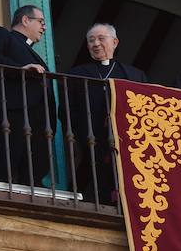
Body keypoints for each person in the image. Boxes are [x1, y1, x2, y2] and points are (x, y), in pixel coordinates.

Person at [62, 23, 147, 205]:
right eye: (91, 40)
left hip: (126, 139)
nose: (96, 44)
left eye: (101, 39)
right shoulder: (77, 73)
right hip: (90, 138)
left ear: (115, 42)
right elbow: (68, 108)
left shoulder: (134, 75)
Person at [0, 4, 57, 186]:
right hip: (12, 111)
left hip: (36, 120)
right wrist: (19, 69)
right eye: (40, 22)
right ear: (25, 20)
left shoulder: (34, 54)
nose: (44, 27)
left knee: (34, 169)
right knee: (7, 162)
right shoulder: (1, 34)